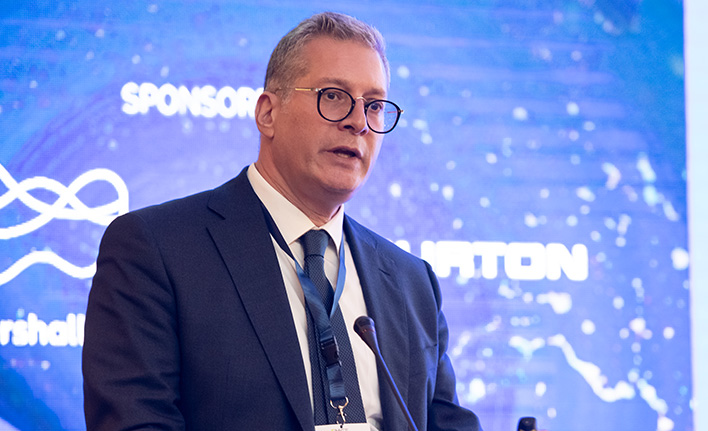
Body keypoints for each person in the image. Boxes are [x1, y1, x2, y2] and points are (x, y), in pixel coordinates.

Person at [82, 11, 483, 431]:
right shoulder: (157, 250)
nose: (358, 122)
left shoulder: (412, 282)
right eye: (334, 96)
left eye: (375, 105)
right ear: (268, 113)